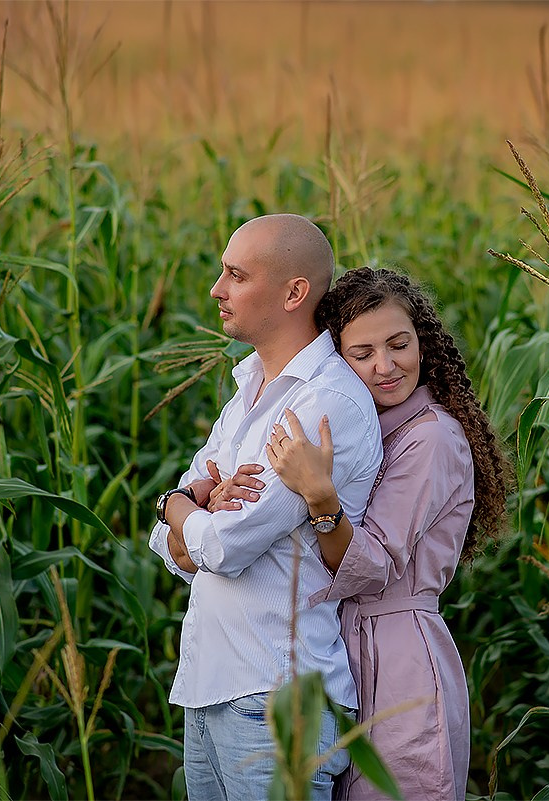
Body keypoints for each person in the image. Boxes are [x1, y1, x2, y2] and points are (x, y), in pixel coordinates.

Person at [208, 267, 508, 800]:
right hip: (344, 651)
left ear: (425, 341)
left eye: (399, 344)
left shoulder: (432, 437)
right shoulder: (368, 426)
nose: (385, 367)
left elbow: (370, 569)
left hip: (397, 660)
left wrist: (319, 494)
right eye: (362, 354)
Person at [148, 215, 383, 801]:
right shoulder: (249, 386)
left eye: (236, 275)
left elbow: (226, 547)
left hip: (277, 698)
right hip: (211, 685)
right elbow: (178, 541)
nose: (216, 290)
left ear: (294, 292)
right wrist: (182, 508)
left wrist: (178, 508)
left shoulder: (323, 403)